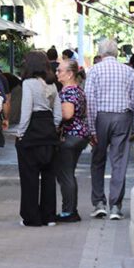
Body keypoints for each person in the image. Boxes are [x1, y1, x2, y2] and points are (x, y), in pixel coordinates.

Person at [85, 38, 134, 220]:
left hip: (100, 118)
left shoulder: (94, 71)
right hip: (122, 118)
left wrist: (91, 128)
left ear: (100, 53)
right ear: (117, 53)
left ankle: (99, 203)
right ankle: (116, 206)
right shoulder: (128, 71)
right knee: (119, 162)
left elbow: (89, 100)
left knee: (98, 160)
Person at [15, 51, 62, 227]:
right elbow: (58, 114)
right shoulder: (52, 85)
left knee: (29, 177)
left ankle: (31, 217)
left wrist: (20, 133)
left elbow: (26, 110)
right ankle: (49, 216)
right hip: (49, 132)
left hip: (32, 132)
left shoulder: (28, 84)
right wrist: (52, 127)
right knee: (49, 176)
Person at [55, 58, 91, 222]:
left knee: (65, 174)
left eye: (60, 70)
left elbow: (67, 114)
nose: (57, 73)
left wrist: (54, 113)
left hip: (70, 136)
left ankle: (69, 211)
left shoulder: (68, 92)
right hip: (80, 135)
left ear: (70, 74)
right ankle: (70, 209)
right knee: (68, 173)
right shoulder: (78, 90)